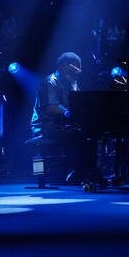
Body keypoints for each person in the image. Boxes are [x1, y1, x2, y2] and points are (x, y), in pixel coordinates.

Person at [29, 51, 97, 187]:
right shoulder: (50, 81)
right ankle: (82, 172)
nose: (79, 72)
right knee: (81, 136)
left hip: (63, 124)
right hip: (46, 126)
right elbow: (51, 107)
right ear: (65, 66)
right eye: (76, 68)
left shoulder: (72, 82)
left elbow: (77, 105)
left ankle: (85, 172)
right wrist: (69, 114)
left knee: (91, 134)